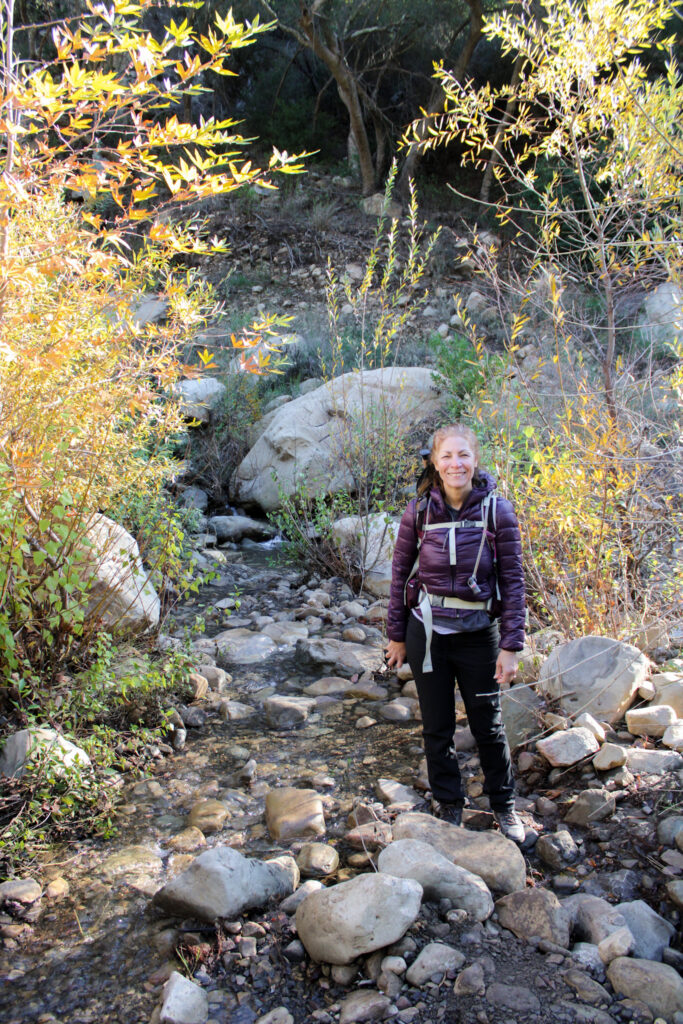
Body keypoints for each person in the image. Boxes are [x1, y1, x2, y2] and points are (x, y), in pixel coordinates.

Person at [386, 423, 526, 843]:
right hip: (426, 632)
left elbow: (514, 580)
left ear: (475, 459)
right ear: (434, 462)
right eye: (446, 456)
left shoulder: (496, 510)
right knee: (437, 726)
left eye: (462, 455)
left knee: (489, 726)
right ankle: (450, 804)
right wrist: (396, 636)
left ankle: (504, 807)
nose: (455, 464)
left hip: (479, 633)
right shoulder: (418, 512)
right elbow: (398, 577)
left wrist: (511, 645)